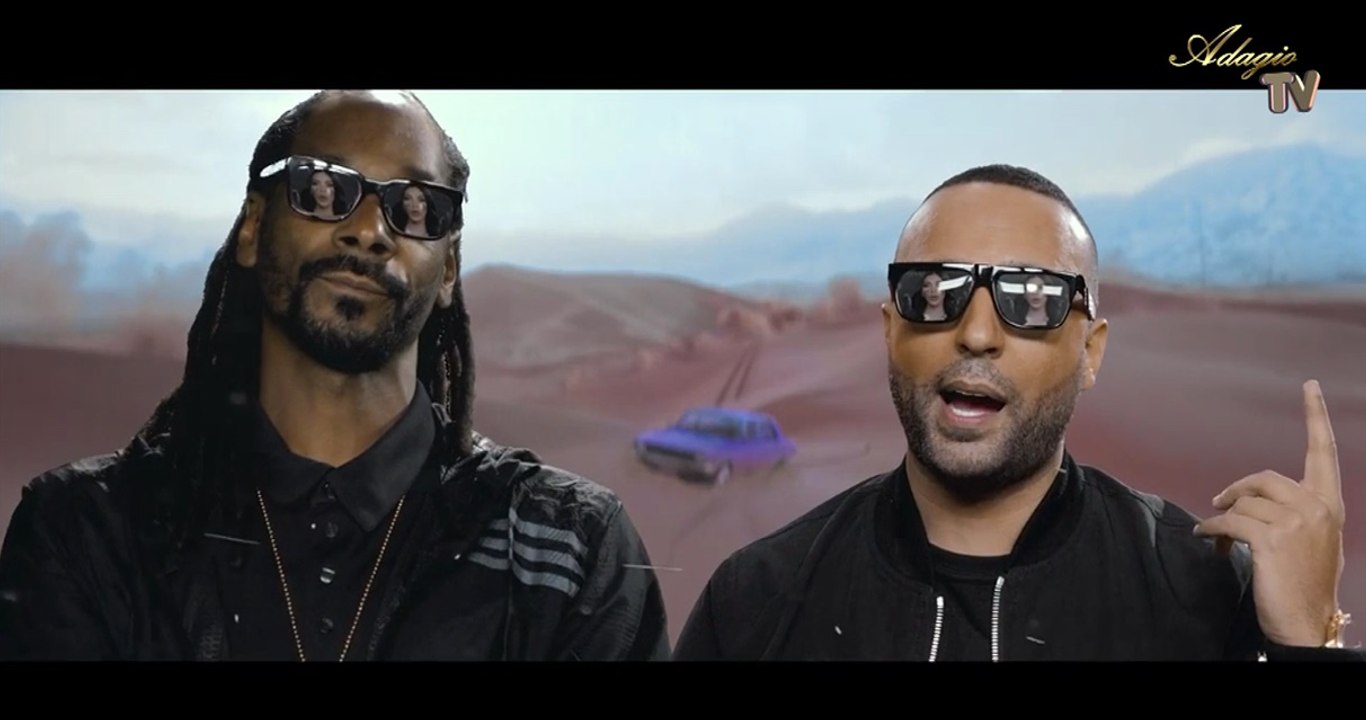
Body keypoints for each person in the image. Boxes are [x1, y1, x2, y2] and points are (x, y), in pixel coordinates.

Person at [0, 90, 671, 662]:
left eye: (415, 207)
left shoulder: (568, 552)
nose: (369, 230)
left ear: (448, 270)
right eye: (324, 189)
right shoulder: (87, 532)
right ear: (253, 228)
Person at [672, 164, 1361, 661]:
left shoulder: (1203, 586)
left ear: (1090, 351)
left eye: (1033, 300)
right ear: (890, 331)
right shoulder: (756, 598)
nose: (976, 333)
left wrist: (1310, 640)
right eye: (934, 293)